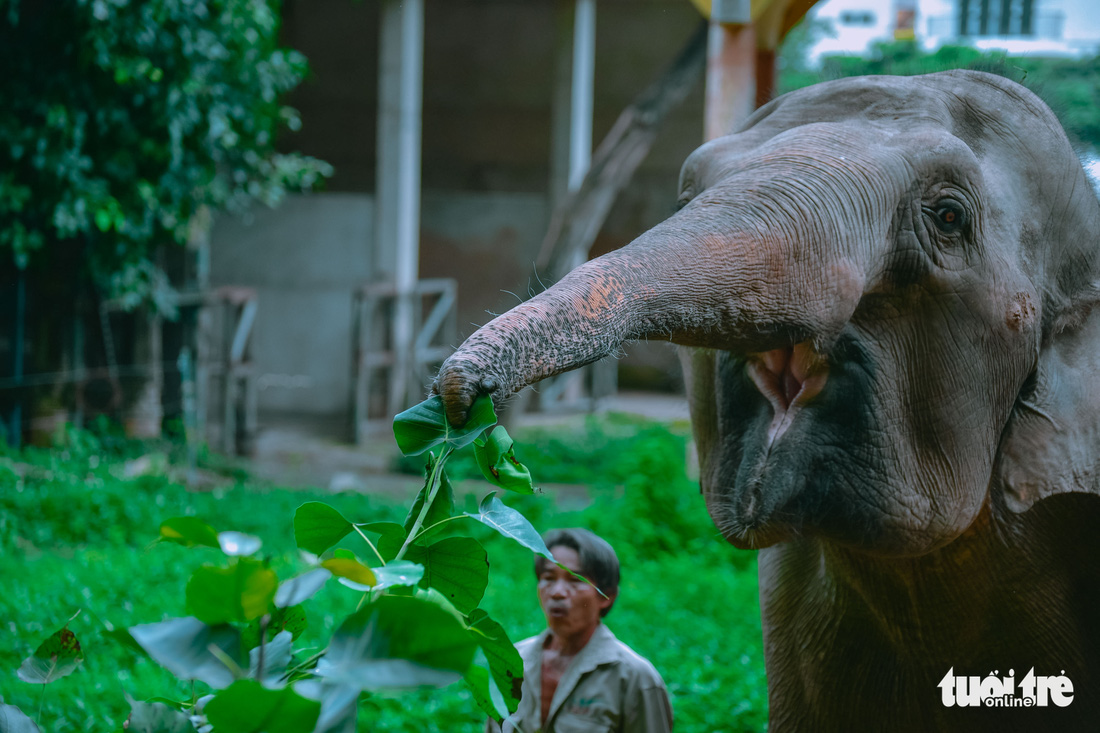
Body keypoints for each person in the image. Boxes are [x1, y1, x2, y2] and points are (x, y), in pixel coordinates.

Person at [489, 528, 673, 732]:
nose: (557, 592)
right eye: (549, 578)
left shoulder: (634, 677)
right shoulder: (512, 662)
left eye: (576, 580)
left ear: (606, 596)